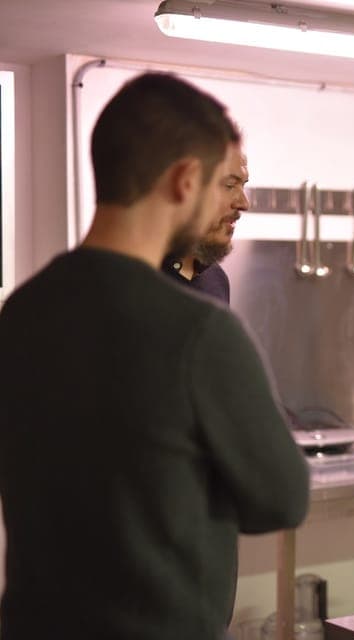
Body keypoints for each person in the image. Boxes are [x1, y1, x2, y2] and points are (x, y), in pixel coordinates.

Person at [0, 72, 310, 640]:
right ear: (185, 180)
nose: (239, 201)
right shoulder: (197, 330)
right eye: (225, 183)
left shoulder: (20, 312)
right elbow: (280, 500)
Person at [162, 143, 249, 303]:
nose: (244, 203)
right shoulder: (134, 280)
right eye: (229, 185)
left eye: (243, 185)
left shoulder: (216, 281)